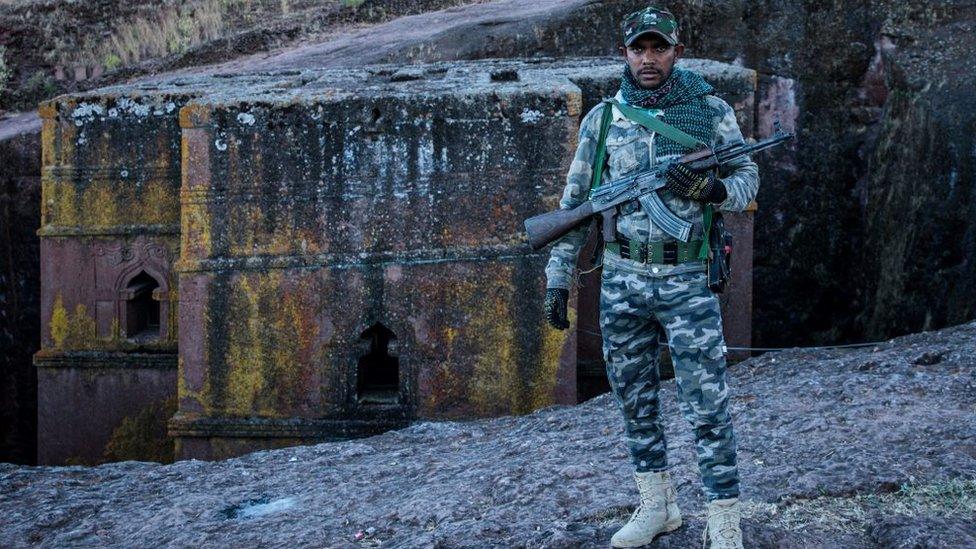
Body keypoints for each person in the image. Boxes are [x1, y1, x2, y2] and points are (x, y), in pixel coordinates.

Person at [542, 6, 759, 549]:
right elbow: (576, 206)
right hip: (621, 281)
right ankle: (657, 506)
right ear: (625, 54)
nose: (648, 59)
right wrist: (558, 276)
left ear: (676, 52)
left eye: (658, 48)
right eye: (639, 49)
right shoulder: (603, 119)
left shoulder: (709, 111)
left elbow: (748, 176)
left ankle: (724, 521)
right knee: (634, 400)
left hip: (687, 278)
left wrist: (711, 192)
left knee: (706, 404)